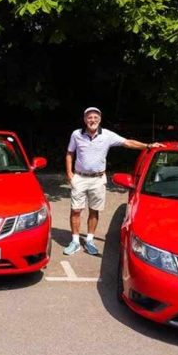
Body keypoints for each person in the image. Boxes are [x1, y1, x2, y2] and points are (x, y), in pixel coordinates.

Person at [64, 107, 162, 255]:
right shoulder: (76, 134)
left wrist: (148, 146)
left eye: (95, 117)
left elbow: (127, 143)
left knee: (94, 210)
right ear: (85, 120)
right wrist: (70, 174)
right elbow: (70, 153)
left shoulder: (107, 135)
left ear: (100, 119)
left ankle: (90, 240)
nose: (93, 120)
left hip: (98, 179)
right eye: (89, 117)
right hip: (80, 178)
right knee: (75, 210)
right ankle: (75, 241)